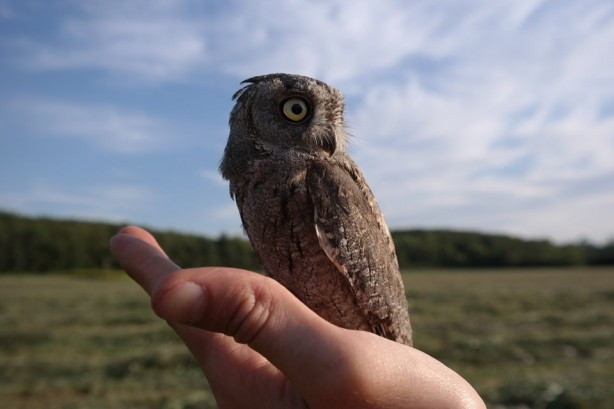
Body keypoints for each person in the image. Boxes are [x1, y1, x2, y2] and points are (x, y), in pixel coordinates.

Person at [110, 226, 486, 409]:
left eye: (335, 121)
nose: (324, 136)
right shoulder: (267, 181)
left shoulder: (326, 179)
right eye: (296, 112)